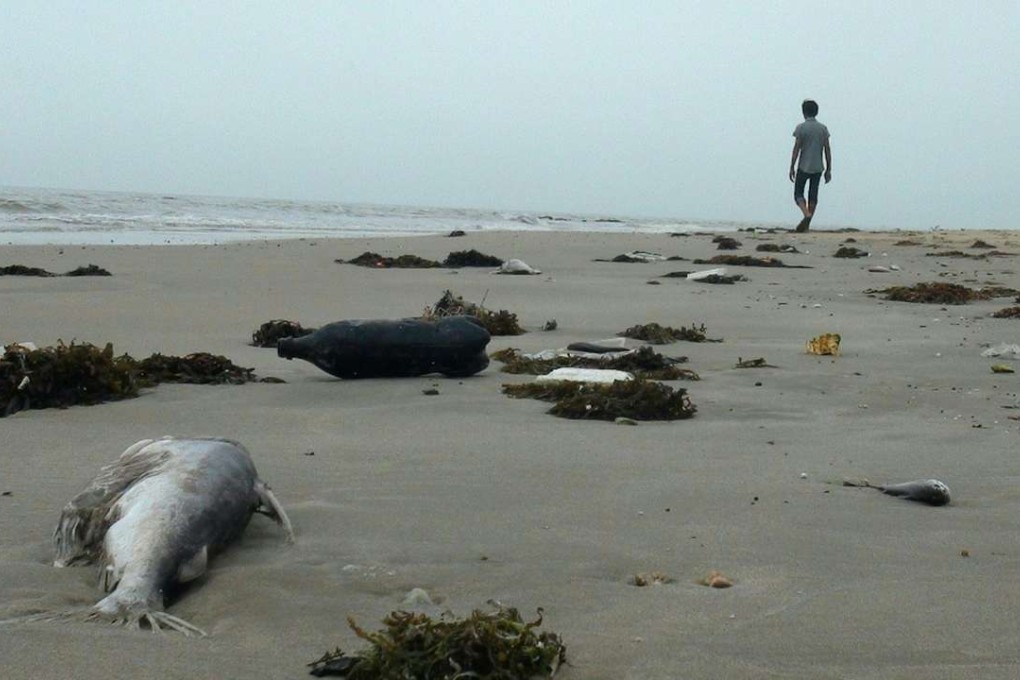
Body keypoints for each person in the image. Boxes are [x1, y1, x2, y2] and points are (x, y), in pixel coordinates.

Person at [788, 99, 831, 232]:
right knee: (813, 195)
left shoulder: (801, 128)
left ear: (804, 112)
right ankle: (808, 222)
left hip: (803, 166)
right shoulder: (823, 129)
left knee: (798, 193)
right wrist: (829, 168)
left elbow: (797, 148)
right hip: (818, 166)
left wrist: (791, 166)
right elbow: (827, 149)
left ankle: (806, 214)